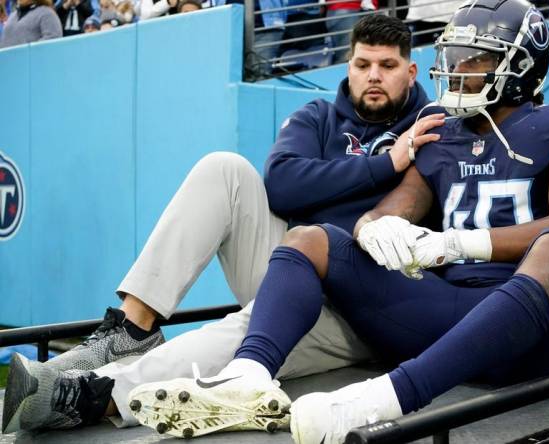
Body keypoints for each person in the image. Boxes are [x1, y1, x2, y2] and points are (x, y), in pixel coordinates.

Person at [126, 1, 549, 442]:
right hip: (442, 311)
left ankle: (380, 400)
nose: (458, 69)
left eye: (476, 58)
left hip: (522, 330)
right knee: (312, 239)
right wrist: (376, 228)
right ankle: (247, 379)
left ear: (522, 66)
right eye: (456, 56)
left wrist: (459, 244)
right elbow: (396, 204)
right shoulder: (441, 128)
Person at [1, 14, 431, 435]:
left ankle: (95, 395)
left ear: (410, 71)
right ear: (349, 66)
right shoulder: (319, 115)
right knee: (224, 168)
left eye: (387, 66)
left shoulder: (430, 127)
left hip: (357, 308)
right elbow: (280, 185)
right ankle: (133, 327)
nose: (373, 76)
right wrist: (383, 166)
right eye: (362, 64)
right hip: (293, 265)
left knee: (250, 324)